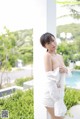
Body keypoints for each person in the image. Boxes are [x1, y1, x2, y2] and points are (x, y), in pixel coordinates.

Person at [40, 32, 68, 119]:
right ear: (45, 46)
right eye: (49, 43)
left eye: (53, 40)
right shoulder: (47, 56)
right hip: (51, 94)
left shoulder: (60, 56)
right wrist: (57, 98)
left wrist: (65, 70)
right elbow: (49, 77)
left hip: (59, 93)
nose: (53, 44)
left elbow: (65, 71)